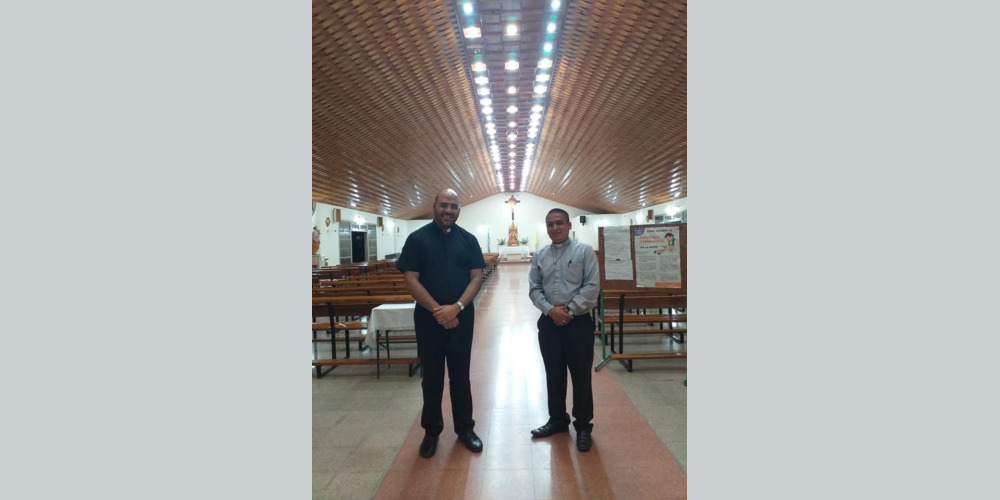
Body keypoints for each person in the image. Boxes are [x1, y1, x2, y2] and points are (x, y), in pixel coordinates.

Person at [397, 188, 486, 458]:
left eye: (454, 206)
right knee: (432, 377)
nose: (449, 210)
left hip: (461, 318)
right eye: (444, 205)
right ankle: (432, 431)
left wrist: (456, 308)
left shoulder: (469, 240)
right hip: (429, 319)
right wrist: (439, 311)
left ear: (459, 210)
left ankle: (465, 429)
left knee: (461, 376)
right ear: (434, 205)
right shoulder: (417, 239)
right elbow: (411, 278)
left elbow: (476, 277)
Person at [528, 208, 600, 451]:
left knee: (581, 376)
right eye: (550, 224)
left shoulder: (584, 251)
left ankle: (583, 425)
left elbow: (592, 286)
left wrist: (568, 311)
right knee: (554, 373)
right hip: (549, 323)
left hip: (578, 323)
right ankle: (558, 419)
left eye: (559, 223)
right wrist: (551, 310)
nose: (555, 227)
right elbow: (534, 288)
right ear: (546, 228)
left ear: (569, 225)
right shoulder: (540, 255)